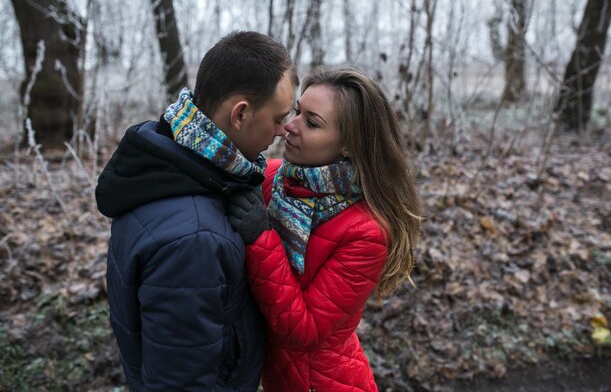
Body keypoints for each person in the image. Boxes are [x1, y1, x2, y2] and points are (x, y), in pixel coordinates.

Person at [95, 31, 298, 392]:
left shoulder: (169, 161)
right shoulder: (195, 239)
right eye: (278, 118)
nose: (284, 130)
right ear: (240, 114)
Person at [227, 68, 422, 392]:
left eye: (312, 122)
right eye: (297, 111)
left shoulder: (367, 233)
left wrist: (262, 240)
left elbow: (305, 331)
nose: (290, 126)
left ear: (349, 145)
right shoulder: (274, 178)